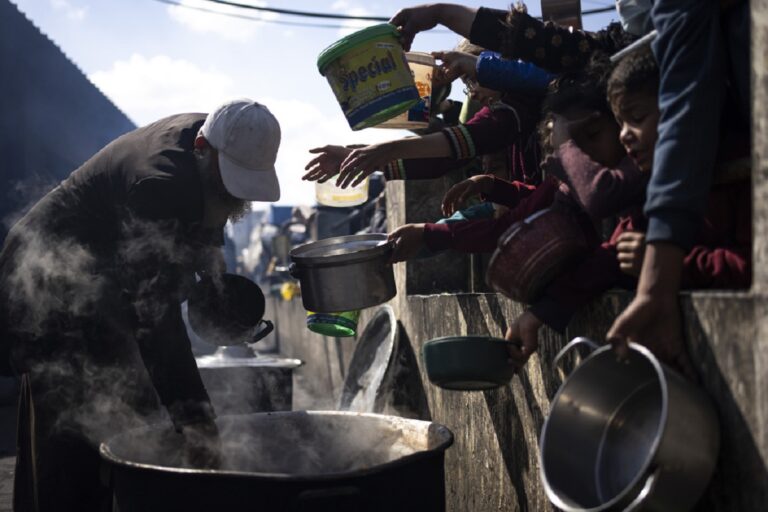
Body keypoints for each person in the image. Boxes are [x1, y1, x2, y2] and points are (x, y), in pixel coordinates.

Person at [0, 98, 282, 511]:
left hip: (103, 287)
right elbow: (156, 321)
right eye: (227, 185)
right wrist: (197, 420)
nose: (230, 198)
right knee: (73, 432)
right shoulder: (159, 184)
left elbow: (203, 218)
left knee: (130, 416)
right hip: (49, 288)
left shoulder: (212, 138)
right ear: (204, 151)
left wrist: (211, 265)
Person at [507, 46, 750, 371]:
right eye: (621, 122)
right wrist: (539, 314)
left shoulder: (738, 168)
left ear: (681, 109)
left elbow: (752, 269)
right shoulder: (655, 189)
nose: (625, 137)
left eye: (636, 119)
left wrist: (669, 266)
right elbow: (610, 258)